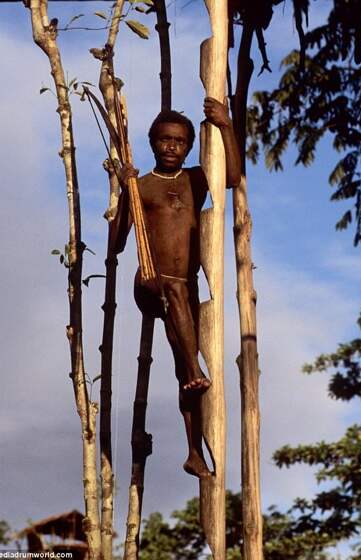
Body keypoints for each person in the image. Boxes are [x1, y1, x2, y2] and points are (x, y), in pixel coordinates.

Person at [119, 97, 241, 478]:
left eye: (180, 141)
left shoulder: (194, 180)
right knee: (174, 301)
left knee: (185, 376)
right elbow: (116, 243)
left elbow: (233, 179)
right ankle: (193, 367)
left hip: (184, 292)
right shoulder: (142, 186)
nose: (171, 147)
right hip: (151, 284)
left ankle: (193, 452)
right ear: (152, 141)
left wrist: (224, 125)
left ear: (188, 146)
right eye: (164, 140)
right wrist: (123, 190)